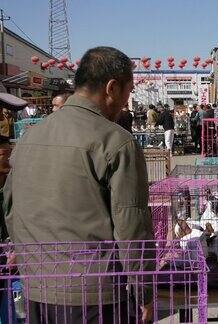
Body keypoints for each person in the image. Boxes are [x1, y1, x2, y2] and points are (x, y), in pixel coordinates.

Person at [4, 46, 154, 323]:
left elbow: (11, 210)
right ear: (112, 88)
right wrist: (145, 291)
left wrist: (32, 268)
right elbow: (132, 228)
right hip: (98, 295)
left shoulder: (29, 137)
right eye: (128, 92)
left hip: (39, 289)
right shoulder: (116, 141)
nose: (126, 102)